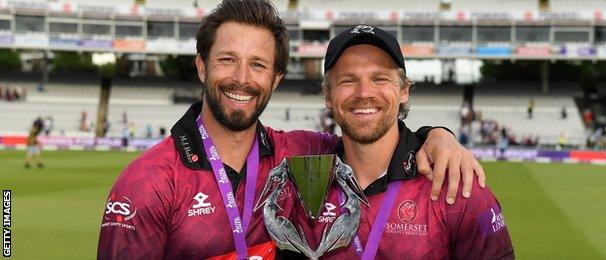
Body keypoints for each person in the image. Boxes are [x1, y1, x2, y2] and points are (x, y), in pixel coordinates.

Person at [97, 1, 486, 259]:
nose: (241, 78)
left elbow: (372, 139)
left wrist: (437, 137)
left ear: (277, 77)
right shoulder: (147, 182)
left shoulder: (301, 154)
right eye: (227, 60)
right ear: (201, 67)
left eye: (258, 65)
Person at [297, 25, 513, 259]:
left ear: (404, 91)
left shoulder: (458, 187)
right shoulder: (302, 181)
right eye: (348, 80)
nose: (364, 92)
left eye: (380, 78)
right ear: (328, 95)